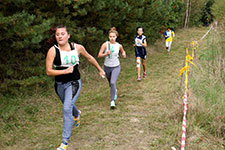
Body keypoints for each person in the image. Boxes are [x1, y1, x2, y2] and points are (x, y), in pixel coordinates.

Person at [46, 24, 105, 150]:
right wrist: (64, 72)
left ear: (68, 35)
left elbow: (89, 57)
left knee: (66, 108)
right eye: (57, 34)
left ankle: (64, 143)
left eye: (62, 34)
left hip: (74, 83)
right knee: (68, 105)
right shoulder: (53, 51)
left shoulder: (77, 48)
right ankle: (77, 114)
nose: (60, 36)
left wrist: (100, 69)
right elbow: (48, 71)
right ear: (55, 37)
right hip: (59, 85)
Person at [98, 27, 126, 108]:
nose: (112, 38)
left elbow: (123, 51)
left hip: (116, 66)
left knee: (113, 82)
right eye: (110, 36)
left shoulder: (119, 45)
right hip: (107, 67)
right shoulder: (105, 44)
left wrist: (124, 54)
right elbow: (99, 55)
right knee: (110, 83)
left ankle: (112, 101)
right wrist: (106, 53)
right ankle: (114, 91)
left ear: (116, 37)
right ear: (108, 37)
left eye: (113, 37)